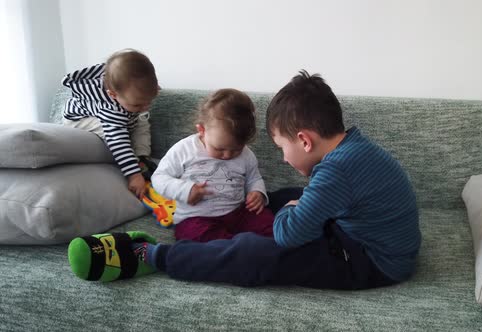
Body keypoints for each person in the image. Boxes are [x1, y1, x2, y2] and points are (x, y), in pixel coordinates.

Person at [68, 70, 421, 290]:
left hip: (368, 261)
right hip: (367, 238)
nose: (282, 157)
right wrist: (292, 204)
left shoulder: (335, 171)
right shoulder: (353, 148)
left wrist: (292, 214)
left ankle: (153, 256)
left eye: (282, 146)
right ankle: (260, 215)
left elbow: (289, 233)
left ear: (305, 140)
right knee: (284, 196)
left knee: (257, 253)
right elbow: (321, 197)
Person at [150, 88, 275, 242]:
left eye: (236, 149)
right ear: (202, 130)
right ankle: (231, 249)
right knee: (198, 236)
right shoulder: (184, 150)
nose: (228, 155)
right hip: (196, 218)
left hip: (238, 213)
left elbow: (253, 178)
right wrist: (184, 190)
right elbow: (159, 178)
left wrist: (257, 192)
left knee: (271, 225)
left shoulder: (247, 155)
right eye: (219, 149)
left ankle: (247, 248)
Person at [61, 49, 159, 198]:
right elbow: (118, 141)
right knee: (113, 136)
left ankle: (141, 156)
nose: (145, 106)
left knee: (143, 119)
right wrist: (134, 175)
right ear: (113, 95)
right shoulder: (110, 109)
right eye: (137, 104)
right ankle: (132, 164)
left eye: (149, 101)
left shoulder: (128, 90)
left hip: (120, 116)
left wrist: (147, 94)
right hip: (79, 121)